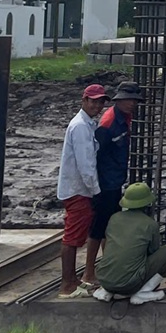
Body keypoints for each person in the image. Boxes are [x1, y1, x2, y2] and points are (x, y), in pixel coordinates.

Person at [56, 83, 109, 298]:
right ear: (84, 100)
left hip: (78, 188)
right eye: (93, 101)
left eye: (101, 102)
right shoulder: (80, 127)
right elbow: (86, 165)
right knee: (73, 237)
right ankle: (67, 284)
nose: (97, 105)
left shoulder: (87, 124)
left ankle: (72, 280)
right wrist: (96, 191)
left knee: (75, 234)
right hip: (79, 190)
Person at [88, 80, 144, 279]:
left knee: (110, 226)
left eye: (135, 100)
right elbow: (96, 156)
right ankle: (89, 273)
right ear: (119, 100)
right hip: (105, 183)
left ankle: (107, 265)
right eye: (129, 100)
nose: (132, 104)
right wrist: (96, 187)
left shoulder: (124, 118)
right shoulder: (108, 123)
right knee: (99, 227)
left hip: (115, 181)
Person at [93, 182, 166, 304]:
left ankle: (107, 291)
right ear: (147, 203)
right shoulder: (150, 224)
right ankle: (143, 292)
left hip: (104, 279)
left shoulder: (114, 218)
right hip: (130, 284)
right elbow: (153, 252)